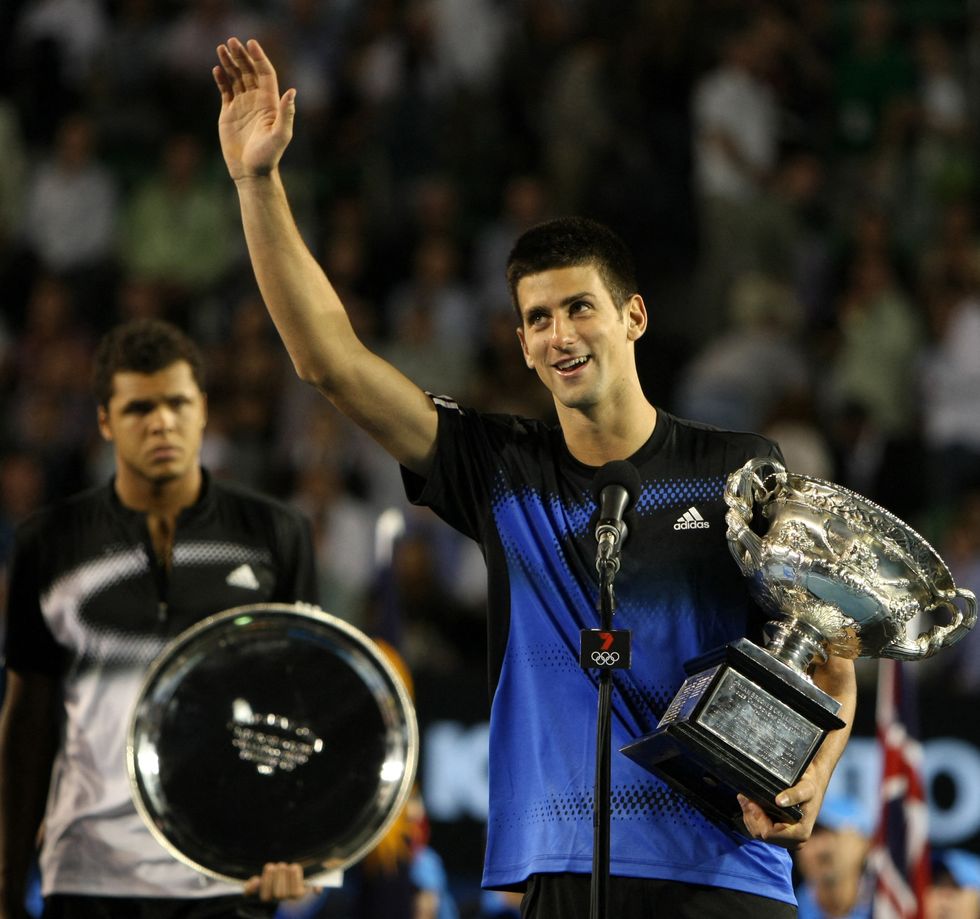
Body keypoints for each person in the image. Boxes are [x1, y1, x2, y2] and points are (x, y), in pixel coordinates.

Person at [212, 37, 857, 918]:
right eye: (538, 317)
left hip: (726, 875)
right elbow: (330, 362)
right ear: (520, 342)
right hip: (559, 872)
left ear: (632, 315)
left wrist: (816, 778)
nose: (561, 333)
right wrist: (258, 183)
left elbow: (832, 655)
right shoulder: (498, 467)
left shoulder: (741, 471)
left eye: (580, 306)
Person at [0, 318, 319, 919]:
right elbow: (27, 723)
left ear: (203, 410)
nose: (162, 422)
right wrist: (5, 888)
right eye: (139, 408)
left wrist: (294, 845)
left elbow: (299, 704)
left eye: (177, 403)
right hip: (89, 872)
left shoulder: (278, 535)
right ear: (104, 421)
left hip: (230, 872)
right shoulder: (47, 543)